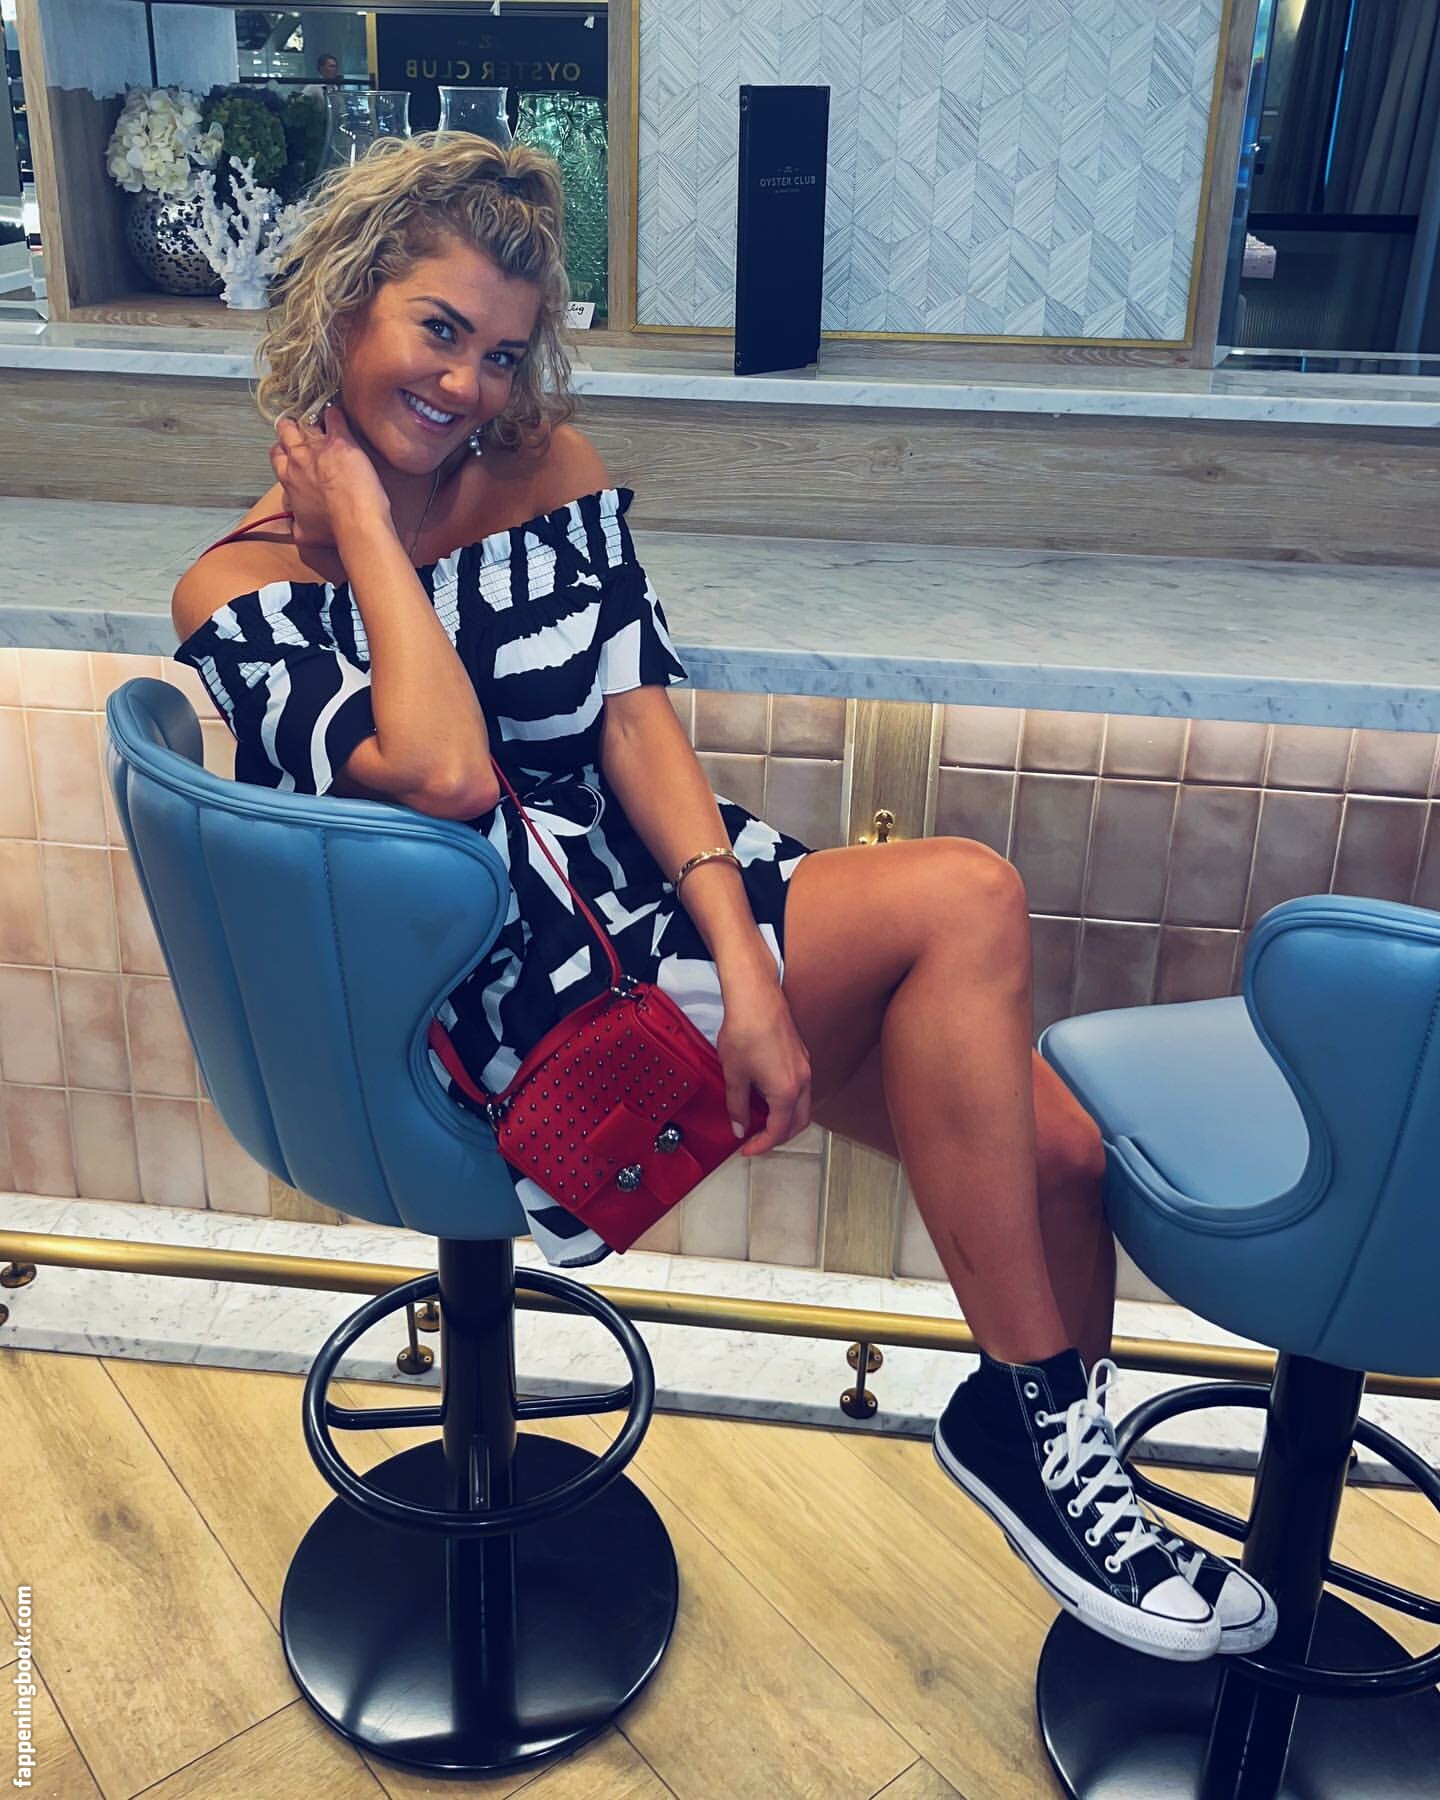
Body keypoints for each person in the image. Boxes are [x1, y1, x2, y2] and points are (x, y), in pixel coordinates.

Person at [169, 132, 1275, 1666]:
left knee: (1062, 1155)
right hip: (512, 1001)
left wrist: (752, 967)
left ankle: (1079, 1509)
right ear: (349, 302)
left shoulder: (545, 472)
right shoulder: (237, 588)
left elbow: (636, 727)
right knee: (965, 895)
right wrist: (361, 526)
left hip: (669, 914)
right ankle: (1042, 1449)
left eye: (502, 353)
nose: (471, 385)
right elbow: (446, 772)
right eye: (440, 330)